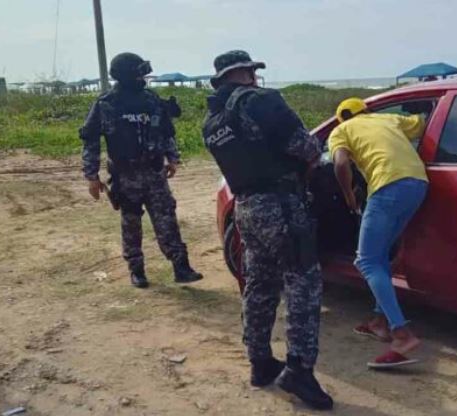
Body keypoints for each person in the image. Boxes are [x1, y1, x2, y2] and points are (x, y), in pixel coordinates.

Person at [202, 50, 333, 410]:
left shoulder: (212, 121)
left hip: (246, 208)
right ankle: (299, 371)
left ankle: (259, 361)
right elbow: (305, 146)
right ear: (245, 73)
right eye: (253, 72)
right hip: (282, 205)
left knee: (260, 284)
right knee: (303, 283)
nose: (256, 78)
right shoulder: (262, 101)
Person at [80, 52, 202, 289]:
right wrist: (92, 176)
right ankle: (137, 270)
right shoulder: (106, 104)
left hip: (155, 174)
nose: (143, 78)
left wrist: (173, 158)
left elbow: (166, 131)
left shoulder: (152, 100)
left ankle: (181, 267)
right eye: (139, 73)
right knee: (131, 223)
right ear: (127, 75)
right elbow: (91, 141)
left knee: (167, 219)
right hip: (126, 177)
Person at [329, 97, 428, 369]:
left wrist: (349, 196)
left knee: (366, 260)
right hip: (418, 183)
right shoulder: (388, 119)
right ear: (367, 110)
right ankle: (378, 321)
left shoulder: (341, 130)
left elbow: (339, 164)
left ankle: (401, 334)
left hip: (386, 187)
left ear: (342, 118)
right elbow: (421, 124)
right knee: (380, 255)